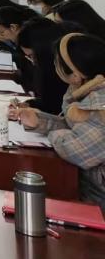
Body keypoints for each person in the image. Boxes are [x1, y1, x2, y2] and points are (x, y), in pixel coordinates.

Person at [11, 33, 105, 208]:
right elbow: (76, 128)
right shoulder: (82, 89)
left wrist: (53, 133)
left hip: (97, 200)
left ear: (75, 74)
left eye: (57, 63)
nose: (54, 66)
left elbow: (75, 150)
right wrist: (40, 121)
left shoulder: (100, 105)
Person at [16, 18, 82, 115]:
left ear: (44, 50)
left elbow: (58, 111)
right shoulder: (48, 65)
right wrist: (30, 104)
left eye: (32, 56)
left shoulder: (67, 71)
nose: (33, 62)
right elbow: (47, 102)